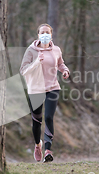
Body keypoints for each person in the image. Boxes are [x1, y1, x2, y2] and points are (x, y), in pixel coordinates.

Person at [19, 23, 70, 163]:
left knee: (48, 117)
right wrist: (36, 62)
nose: (45, 34)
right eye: (42, 32)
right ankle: (38, 145)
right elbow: (23, 70)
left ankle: (48, 150)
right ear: (38, 35)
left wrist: (65, 71)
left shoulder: (56, 50)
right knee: (37, 122)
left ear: (51, 34)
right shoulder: (31, 50)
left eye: (47, 32)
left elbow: (60, 63)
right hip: (35, 89)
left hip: (52, 87)